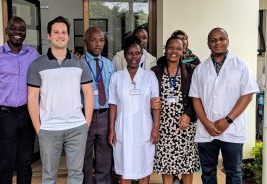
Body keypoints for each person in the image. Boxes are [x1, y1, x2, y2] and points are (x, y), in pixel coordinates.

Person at [27, 16, 94, 184]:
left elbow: (88, 93)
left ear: (68, 36)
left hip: (77, 127)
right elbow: (32, 97)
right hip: (49, 129)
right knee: (49, 174)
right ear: (49, 36)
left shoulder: (80, 63)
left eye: (64, 32)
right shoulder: (37, 65)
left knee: (76, 174)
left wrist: (86, 124)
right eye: (56, 32)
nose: (60, 35)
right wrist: (39, 129)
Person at [189, 28, 259, 184]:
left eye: (221, 39)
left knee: (234, 172)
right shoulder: (200, 69)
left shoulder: (241, 65)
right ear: (208, 44)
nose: (217, 43)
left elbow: (247, 95)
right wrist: (206, 123)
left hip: (232, 128)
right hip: (206, 130)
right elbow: (195, 98)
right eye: (213, 40)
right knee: (207, 172)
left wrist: (227, 120)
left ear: (228, 41)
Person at [0, 16, 39, 184]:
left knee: (26, 163)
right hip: (5, 117)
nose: (17, 32)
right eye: (13, 28)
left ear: (26, 32)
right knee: (6, 164)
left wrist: (72, 57)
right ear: (6, 31)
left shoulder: (33, 54)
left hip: (27, 115)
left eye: (21, 29)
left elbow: (50, 66)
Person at [108, 35, 160, 184]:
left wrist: (156, 127)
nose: (134, 57)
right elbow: (113, 104)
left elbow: (156, 104)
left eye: (137, 53)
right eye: (130, 53)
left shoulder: (150, 77)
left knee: (144, 165)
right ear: (125, 55)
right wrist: (111, 129)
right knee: (124, 167)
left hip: (144, 127)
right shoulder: (116, 77)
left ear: (142, 55)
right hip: (122, 128)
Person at [152, 36, 200, 184]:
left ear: (183, 51)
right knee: (166, 165)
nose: (174, 51)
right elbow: (146, 94)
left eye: (178, 48)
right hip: (164, 125)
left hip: (184, 124)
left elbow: (197, 97)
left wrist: (189, 114)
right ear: (165, 49)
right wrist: (150, 103)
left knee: (187, 166)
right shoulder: (155, 71)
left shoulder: (191, 71)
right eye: (171, 48)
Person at [83, 27, 115, 184]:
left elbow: (113, 94)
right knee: (85, 155)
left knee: (105, 156)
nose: (98, 44)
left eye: (101, 40)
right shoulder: (79, 63)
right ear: (85, 42)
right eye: (93, 40)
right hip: (85, 116)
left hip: (105, 115)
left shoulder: (109, 65)